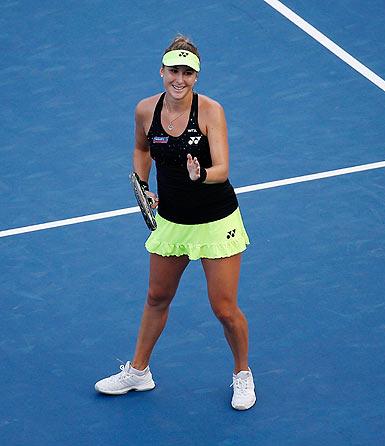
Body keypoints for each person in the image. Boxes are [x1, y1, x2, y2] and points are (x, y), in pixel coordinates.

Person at [95, 35, 255, 411]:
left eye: (187, 72)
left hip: (217, 220)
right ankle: (139, 372)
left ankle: (242, 374)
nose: (179, 79)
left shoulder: (212, 111)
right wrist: (143, 184)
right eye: (173, 71)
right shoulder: (145, 111)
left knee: (224, 308)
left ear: (196, 76)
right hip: (173, 220)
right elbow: (140, 148)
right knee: (156, 297)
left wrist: (199, 176)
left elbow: (223, 170)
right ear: (162, 71)